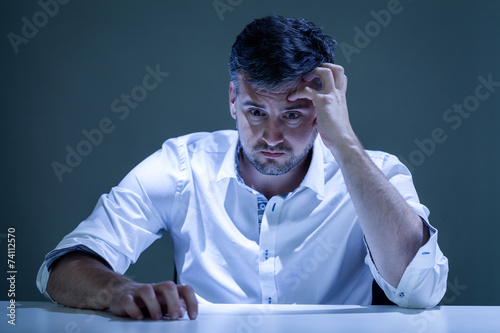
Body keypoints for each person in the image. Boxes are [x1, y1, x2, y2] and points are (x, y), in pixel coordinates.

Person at [37, 15, 448, 321]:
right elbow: (62, 268)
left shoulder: (377, 173)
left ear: (325, 106)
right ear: (233, 98)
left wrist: (344, 142)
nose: (271, 137)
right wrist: (120, 290)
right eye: (255, 111)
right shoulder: (182, 167)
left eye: (293, 114)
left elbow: (422, 290)